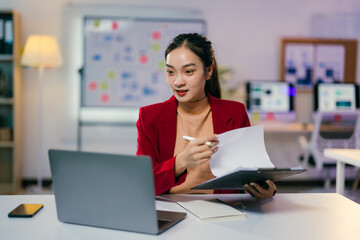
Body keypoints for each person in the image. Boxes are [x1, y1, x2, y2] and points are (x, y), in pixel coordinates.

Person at [136, 33, 277, 199]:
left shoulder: (235, 113)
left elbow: (251, 172)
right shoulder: (149, 117)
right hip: (173, 209)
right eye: (170, 72)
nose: (177, 82)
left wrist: (265, 189)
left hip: (224, 213)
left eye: (188, 71)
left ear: (208, 71)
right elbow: (142, 183)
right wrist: (181, 161)